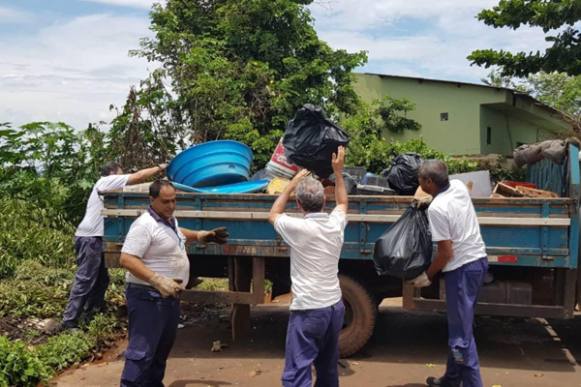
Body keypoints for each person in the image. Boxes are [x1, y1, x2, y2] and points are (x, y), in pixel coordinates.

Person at [119, 180, 229, 386]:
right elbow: (126, 259)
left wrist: (199, 235)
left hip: (168, 297)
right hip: (148, 297)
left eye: (174, 200)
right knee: (141, 353)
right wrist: (156, 279)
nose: (171, 205)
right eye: (165, 201)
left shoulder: (169, 220)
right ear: (152, 200)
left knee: (161, 350)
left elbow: (177, 233)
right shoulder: (144, 225)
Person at [268, 146, 348, 387]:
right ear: (325, 200)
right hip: (334, 307)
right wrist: (338, 172)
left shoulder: (299, 229)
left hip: (309, 310)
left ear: (299, 205)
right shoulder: (335, 225)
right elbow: (343, 203)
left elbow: (273, 214)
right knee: (327, 368)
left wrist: (291, 184)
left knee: (297, 372)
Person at [408, 160, 488, 387]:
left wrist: (427, 276)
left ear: (430, 182)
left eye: (421, 179)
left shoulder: (437, 209)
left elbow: (445, 253)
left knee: (461, 340)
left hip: (461, 271)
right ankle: (451, 380)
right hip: (478, 263)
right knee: (461, 327)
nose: (419, 183)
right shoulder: (459, 188)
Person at [61, 161, 168, 329]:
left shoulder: (108, 185)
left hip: (95, 238)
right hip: (90, 238)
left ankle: (91, 313)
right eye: (120, 173)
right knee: (86, 279)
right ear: (112, 173)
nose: (122, 176)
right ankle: (69, 321)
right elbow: (138, 176)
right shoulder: (105, 181)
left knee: (102, 280)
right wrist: (160, 168)